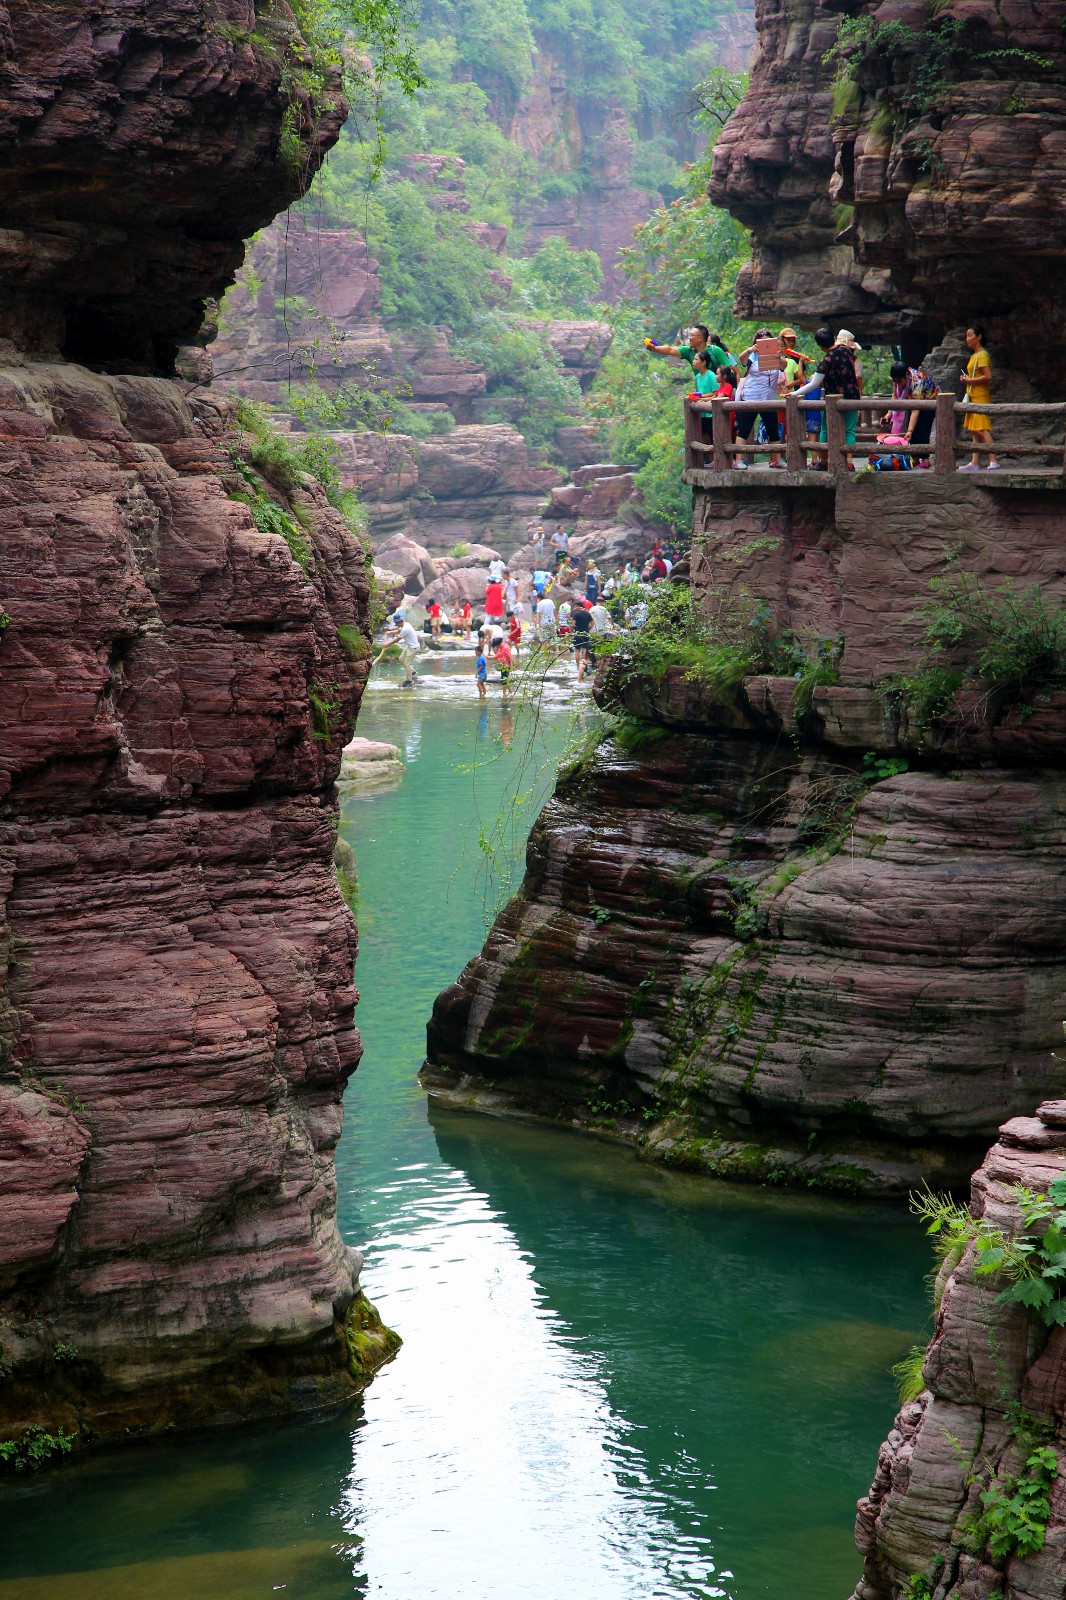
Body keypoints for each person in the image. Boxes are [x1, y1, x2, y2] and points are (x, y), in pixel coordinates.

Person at [794, 327, 860, 469]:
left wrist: (793, 394)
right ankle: (849, 462)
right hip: (853, 396)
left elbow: (814, 384)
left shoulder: (827, 360)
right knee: (850, 430)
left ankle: (824, 461)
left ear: (820, 346)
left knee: (825, 429)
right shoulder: (847, 351)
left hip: (834, 400)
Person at [734, 331, 784, 468]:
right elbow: (742, 360)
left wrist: (779, 358)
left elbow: (783, 367)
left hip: (769, 398)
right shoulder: (752, 356)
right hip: (751, 397)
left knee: (773, 430)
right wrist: (750, 349)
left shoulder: (776, 355)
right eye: (762, 341)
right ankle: (739, 460)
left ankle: (777, 459)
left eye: (768, 340)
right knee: (744, 429)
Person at [959, 325, 999, 470]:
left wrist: (970, 380)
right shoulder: (974, 355)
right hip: (973, 395)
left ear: (979, 337)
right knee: (974, 430)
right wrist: (967, 379)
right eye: (966, 336)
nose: (967, 339)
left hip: (980, 396)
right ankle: (975, 462)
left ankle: (993, 460)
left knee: (981, 429)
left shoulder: (982, 355)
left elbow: (988, 376)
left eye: (970, 335)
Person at [383, 609, 422, 688]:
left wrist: (387, 645)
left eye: (396, 623)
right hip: (409, 646)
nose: (396, 625)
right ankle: (412, 671)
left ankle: (409, 680)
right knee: (401, 659)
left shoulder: (405, 629)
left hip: (414, 648)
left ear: (399, 622)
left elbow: (397, 639)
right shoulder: (405, 624)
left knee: (406, 663)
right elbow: (398, 631)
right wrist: (390, 632)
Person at [570, 597, 592, 681]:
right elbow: (592, 622)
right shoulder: (587, 613)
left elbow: (573, 624)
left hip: (577, 634)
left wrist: (572, 632)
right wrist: (588, 629)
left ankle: (577, 666)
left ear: (577, 606)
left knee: (577, 650)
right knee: (585, 649)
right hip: (585, 634)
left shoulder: (576, 614)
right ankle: (584, 664)